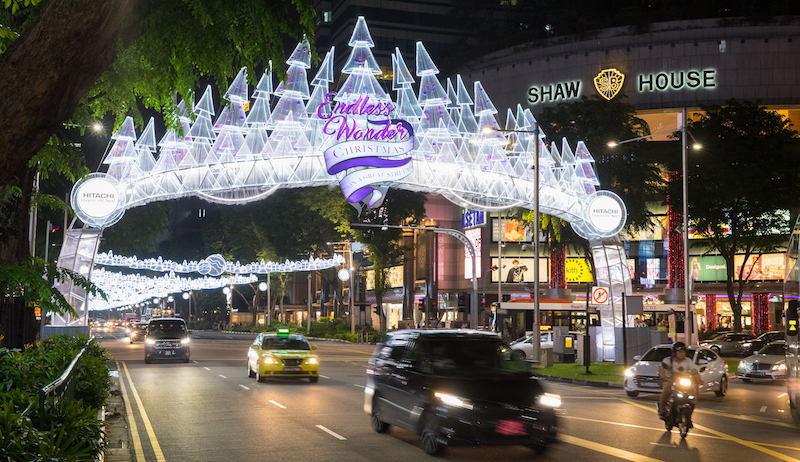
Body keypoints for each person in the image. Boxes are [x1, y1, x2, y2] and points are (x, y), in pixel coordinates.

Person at [658, 342, 703, 417]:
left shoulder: (688, 361)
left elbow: (694, 371)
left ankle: (689, 416)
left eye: (684, 352)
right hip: (671, 381)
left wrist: (699, 380)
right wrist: (665, 378)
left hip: (684, 382)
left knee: (693, 396)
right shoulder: (668, 360)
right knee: (666, 390)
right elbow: (663, 371)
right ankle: (662, 409)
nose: (682, 354)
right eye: (680, 352)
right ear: (675, 352)